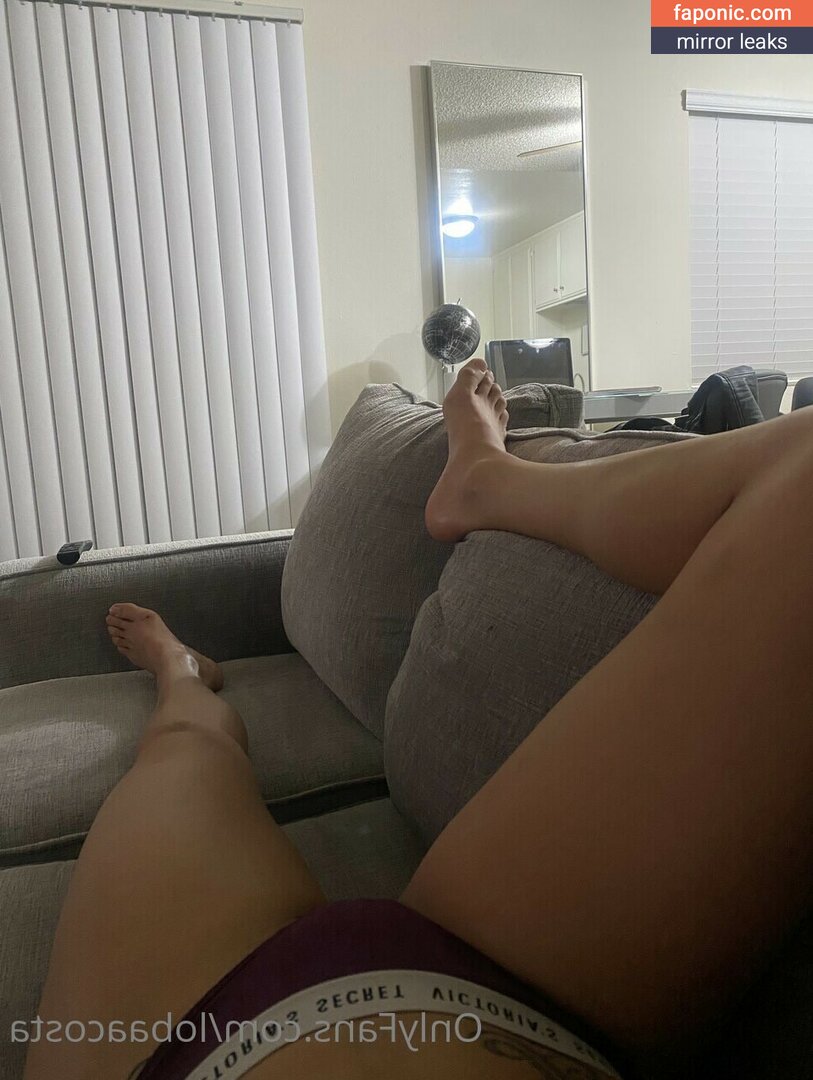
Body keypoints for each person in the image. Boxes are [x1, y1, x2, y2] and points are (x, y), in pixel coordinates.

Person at [23, 358, 813, 1080]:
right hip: (512, 1004)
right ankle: (185, 670)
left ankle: (479, 485)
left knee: (187, 744)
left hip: (204, 1041)